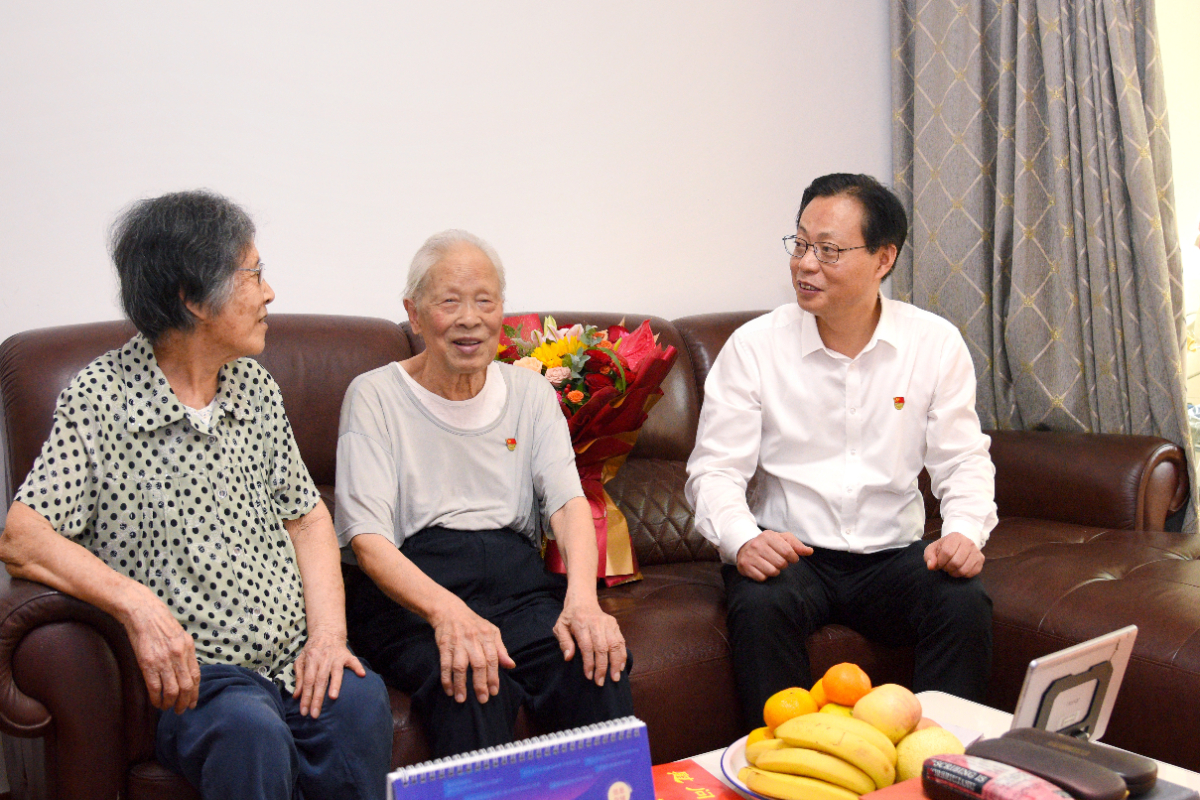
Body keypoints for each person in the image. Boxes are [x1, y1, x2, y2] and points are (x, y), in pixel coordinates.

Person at [0, 191, 392, 800]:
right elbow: (23, 537)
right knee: (249, 733)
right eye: (253, 274)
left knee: (360, 702)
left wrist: (327, 638)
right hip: (201, 679)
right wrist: (137, 604)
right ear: (192, 297)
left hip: (291, 658)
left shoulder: (254, 387)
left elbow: (309, 518)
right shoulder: (101, 397)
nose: (269, 293)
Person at [685, 173, 997, 730]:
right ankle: (785, 763)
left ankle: (943, 758)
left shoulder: (933, 343)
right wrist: (743, 539)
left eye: (828, 250)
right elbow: (714, 470)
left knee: (961, 600)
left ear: (883, 258)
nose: (805, 264)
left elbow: (962, 459)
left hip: (894, 555)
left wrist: (965, 533)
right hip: (792, 555)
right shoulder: (755, 347)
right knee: (760, 603)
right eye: (800, 244)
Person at [335, 229, 633, 758]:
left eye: (485, 301)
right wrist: (447, 613)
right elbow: (368, 541)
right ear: (414, 313)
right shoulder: (375, 395)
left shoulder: (530, 392)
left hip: (518, 586)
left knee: (593, 665)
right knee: (471, 681)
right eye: (449, 302)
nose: (469, 319)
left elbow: (569, 506)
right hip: (416, 595)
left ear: (502, 310)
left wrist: (583, 602)